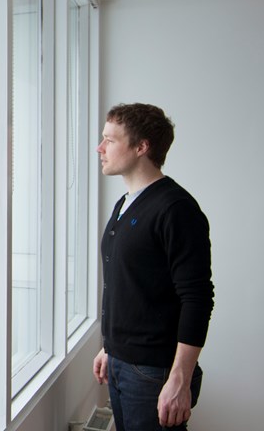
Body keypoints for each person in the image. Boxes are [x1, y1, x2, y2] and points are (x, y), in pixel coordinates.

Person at [92, 103, 215, 430]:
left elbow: (198, 298)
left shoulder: (176, 209)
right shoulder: (124, 204)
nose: (100, 148)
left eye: (110, 140)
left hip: (153, 372)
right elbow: (129, 285)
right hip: (121, 364)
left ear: (141, 147)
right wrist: (111, 348)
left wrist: (180, 379)